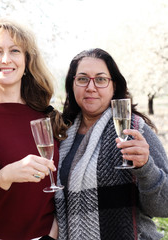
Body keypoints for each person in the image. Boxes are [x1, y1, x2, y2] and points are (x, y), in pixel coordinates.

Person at [0, 19, 68, 240]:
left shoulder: (46, 115)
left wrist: (52, 232)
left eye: (15, 51)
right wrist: (6, 176)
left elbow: (53, 189)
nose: (6, 59)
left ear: (27, 61)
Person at [55, 48, 168, 240]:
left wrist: (145, 167)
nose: (91, 87)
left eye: (100, 79)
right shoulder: (62, 135)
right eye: (82, 79)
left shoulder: (135, 130)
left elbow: (164, 207)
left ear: (113, 86)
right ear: (72, 85)